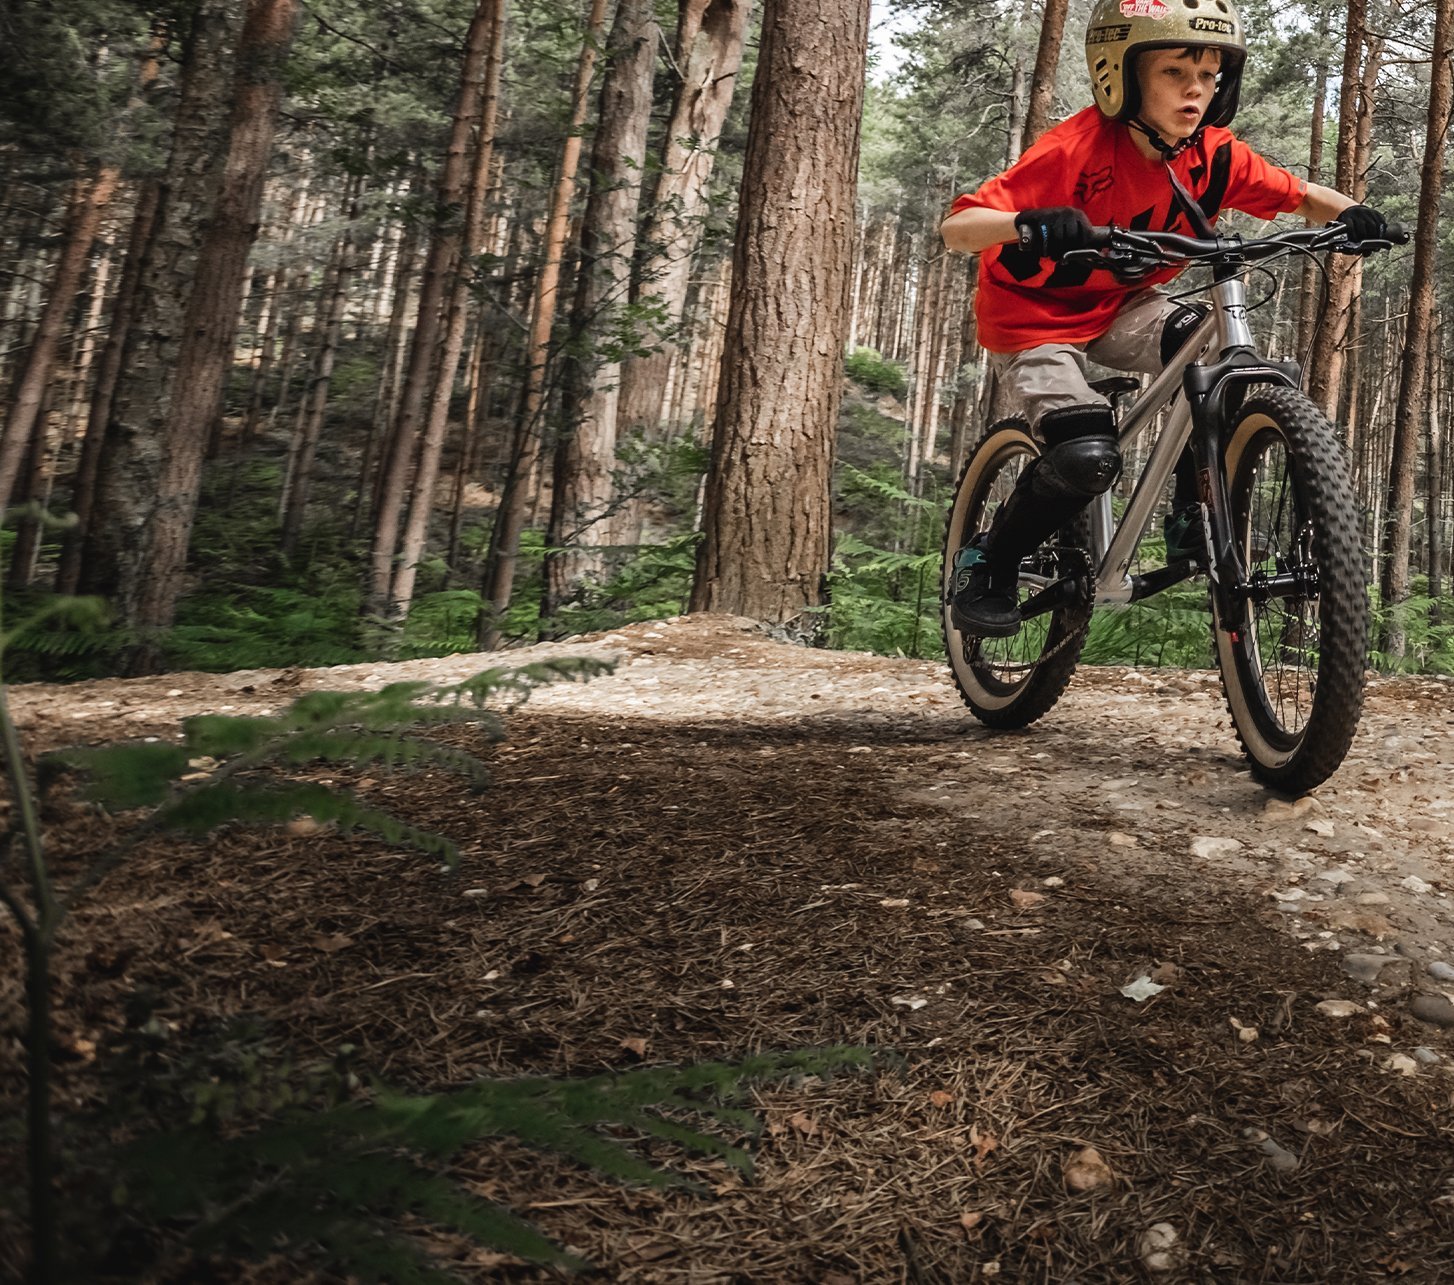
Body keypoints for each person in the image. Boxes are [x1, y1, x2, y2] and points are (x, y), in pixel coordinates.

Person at [941, 0, 1390, 638]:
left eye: (1209, 76)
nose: (1196, 91)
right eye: (1176, 72)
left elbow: (1299, 195)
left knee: (1209, 351)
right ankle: (991, 562)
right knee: (1087, 454)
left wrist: (1354, 214)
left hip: (1124, 308)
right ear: (1119, 76)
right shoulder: (1072, 150)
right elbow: (957, 228)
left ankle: (1192, 510)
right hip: (1034, 319)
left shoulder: (1212, 155)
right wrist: (1025, 222)